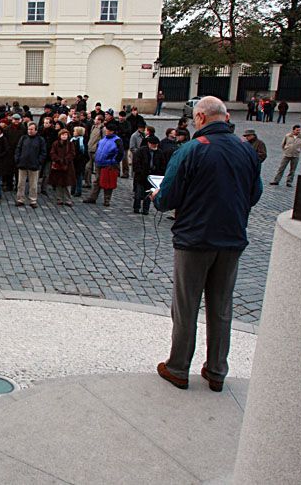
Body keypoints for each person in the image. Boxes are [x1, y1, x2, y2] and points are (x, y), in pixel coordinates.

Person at [151, 96, 262, 392]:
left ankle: (178, 368)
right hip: (232, 239)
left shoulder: (191, 150)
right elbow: (255, 194)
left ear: (200, 118)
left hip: (194, 239)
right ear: (224, 118)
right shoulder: (246, 149)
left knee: (186, 306)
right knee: (221, 307)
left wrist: (156, 196)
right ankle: (216, 371)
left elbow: (167, 198)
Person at [83, 122, 124, 207]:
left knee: (108, 183)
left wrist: (112, 162)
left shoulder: (117, 140)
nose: (106, 131)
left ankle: (107, 199)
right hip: (99, 163)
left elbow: (120, 153)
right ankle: (93, 197)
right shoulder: (104, 139)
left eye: (108, 130)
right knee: (97, 181)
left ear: (112, 131)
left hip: (109, 164)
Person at [14, 122, 47, 208]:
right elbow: (18, 149)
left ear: (36, 130)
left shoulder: (40, 139)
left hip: (34, 165)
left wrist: (39, 162)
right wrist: (17, 159)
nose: (30, 131)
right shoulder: (23, 138)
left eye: (32, 129)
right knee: (20, 184)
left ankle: (33, 200)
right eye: (29, 129)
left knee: (33, 185)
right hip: (22, 164)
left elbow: (43, 152)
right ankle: (20, 199)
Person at [132, 135, 167, 215]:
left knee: (148, 194)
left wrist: (159, 173)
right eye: (153, 144)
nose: (155, 146)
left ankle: (145, 209)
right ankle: (136, 208)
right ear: (149, 143)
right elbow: (136, 163)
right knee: (138, 193)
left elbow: (162, 165)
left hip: (152, 177)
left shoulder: (159, 153)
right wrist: (140, 172)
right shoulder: (141, 151)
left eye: (156, 144)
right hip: (141, 176)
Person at [48, 128, 76, 206]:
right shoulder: (55, 143)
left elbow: (72, 153)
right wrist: (59, 160)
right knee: (58, 183)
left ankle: (68, 199)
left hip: (68, 166)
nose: (64, 136)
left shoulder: (70, 144)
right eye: (63, 135)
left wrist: (65, 160)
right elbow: (52, 153)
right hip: (58, 166)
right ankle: (59, 198)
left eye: (66, 135)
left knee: (67, 184)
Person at [70, 127, 88, 197]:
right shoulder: (73, 140)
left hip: (79, 161)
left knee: (78, 176)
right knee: (73, 176)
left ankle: (78, 190)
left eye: (75, 131)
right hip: (73, 161)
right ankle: (73, 189)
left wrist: (79, 159)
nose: (73, 132)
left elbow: (83, 152)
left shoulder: (82, 141)